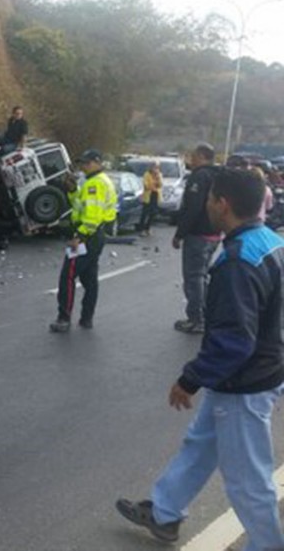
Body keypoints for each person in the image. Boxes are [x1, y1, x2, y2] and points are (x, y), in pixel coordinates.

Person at [116, 168, 284, 549]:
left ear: (222, 204)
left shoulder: (238, 262)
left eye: (209, 198)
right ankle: (165, 513)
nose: (205, 204)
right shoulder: (268, 240)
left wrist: (190, 378)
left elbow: (233, 340)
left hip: (244, 384)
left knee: (247, 480)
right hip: (251, 375)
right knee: (200, 444)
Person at [49, 149, 117, 333]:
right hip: (95, 236)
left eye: (87, 163)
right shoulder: (94, 182)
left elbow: (92, 217)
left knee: (68, 276)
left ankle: (64, 318)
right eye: (82, 163)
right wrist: (72, 191)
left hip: (88, 236)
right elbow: (80, 205)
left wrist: (79, 237)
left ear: (98, 162)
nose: (83, 166)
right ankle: (86, 318)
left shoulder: (95, 184)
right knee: (89, 279)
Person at [172, 143, 221, 334]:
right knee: (203, 276)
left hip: (198, 234)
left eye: (192, 156)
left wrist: (179, 234)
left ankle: (196, 319)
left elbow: (193, 208)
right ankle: (207, 315)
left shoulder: (200, 176)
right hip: (214, 233)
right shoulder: (218, 175)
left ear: (201, 156)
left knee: (194, 278)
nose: (190, 160)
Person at [139, 161, 163, 237]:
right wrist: (153, 185)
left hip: (155, 195)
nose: (155, 169)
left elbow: (160, 185)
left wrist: (157, 178)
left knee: (153, 214)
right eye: (154, 167)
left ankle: (147, 228)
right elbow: (146, 185)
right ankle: (142, 229)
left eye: (157, 167)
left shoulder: (159, 175)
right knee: (145, 213)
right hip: (147, 196)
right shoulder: (147, 175)